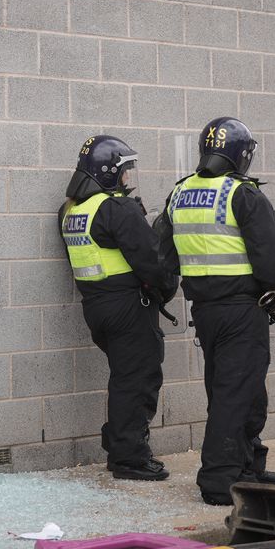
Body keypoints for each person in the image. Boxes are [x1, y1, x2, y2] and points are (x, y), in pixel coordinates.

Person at [155, 118, 275, 505]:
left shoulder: (180, 192)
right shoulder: (243, 195)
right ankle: (218, 480)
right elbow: (273, 261)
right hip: (242, 310)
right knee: (234, 395)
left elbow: (162, 253)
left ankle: (249, 467)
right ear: (241, 155)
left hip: (206, 311)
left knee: (239, 391)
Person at [60, 135, 178, 480]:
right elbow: (151, 262)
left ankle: (121, 448)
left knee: (124, 379)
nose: (129, 179)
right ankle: (129, 457)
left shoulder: (71, 211)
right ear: (108, 172)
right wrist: (167, 286)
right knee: (137, 380)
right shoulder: (116, 208)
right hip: (128, 307)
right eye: (125, 172)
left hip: (97, 306)